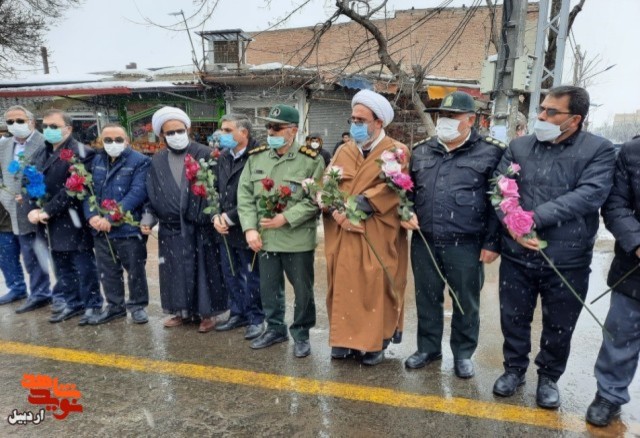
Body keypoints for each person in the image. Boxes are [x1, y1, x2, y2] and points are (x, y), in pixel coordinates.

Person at [492, 85, 616, 409]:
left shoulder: (599, 150)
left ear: (574, 119)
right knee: (513, 317)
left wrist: (532, 218)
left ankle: (548, 377)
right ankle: (514, 370)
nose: (541, 116)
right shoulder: (519, 147)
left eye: (550, 112)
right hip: (518, 254)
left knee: (560, 324)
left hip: (567, 258)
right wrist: (513, 224)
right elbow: (499, 188)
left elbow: (589, 194)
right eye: (541, 109)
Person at [401, 91, 504, 378]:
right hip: (425, 241)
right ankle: (428, 348)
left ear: (471, 120)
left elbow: (500, 201)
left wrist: (493, 242)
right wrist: (405, 211)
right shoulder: (422, 150)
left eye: (453, 116)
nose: (445, 121)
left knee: (465, 301)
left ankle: (462, 353)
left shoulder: (492, 151)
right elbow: (407, 191)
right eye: (442, 116)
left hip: (467, 243)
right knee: (427, 297)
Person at [324, 89, 410, 366]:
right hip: (342, 232)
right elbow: (328, 183)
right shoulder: (343, 150)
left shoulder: (396, 151)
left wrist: (360, 207)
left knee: (376, 284)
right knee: (342, 285)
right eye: (353, 119)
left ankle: (376, 341)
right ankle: (343, 340)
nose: (355, 125)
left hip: (375, 231)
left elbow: (393, 189)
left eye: (361, 120)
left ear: (378, 123)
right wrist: (335, 208)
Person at [237, 104, 324, 358]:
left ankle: (301, 333)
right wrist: (249, 229)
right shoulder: (257, 158)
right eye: (268, 127)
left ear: (293, 130)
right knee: (269, 288)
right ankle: (275, 328)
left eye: (277, 127)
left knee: (302, 290)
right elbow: (245, 196)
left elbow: (316, 199)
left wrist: (286, 217)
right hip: (264, 238)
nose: (270, 131)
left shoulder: (311, 160)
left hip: (296, 238)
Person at [141, 106, 227, 333]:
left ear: (188, 128)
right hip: (171, 230)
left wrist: (213, 214)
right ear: (162, 135)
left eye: (179, 130)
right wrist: (148, 219)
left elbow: (218, 190)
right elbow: (151, 194)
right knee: (174, 272)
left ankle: (207, 313)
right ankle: (180, 311)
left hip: (201, 227)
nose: (176, 136)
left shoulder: (205, 154)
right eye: (170, 133)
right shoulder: (157, 160)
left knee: (204, 271)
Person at [27, 109, 104, 324]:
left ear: (68, 129)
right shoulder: (41, 152)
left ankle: (93, 304)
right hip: (48, 223)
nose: (49, 130)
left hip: (73, 219)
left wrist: (47, 210)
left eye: (54, 126)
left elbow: (72, 189)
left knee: (84, 266)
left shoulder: (82, 152)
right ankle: (73, 302)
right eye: (46, 126)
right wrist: (33, 207)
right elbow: (31, 181)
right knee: (62, 267)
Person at [585, 135, 640, 426]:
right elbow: (615, 204)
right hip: (635, 268)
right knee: (620, 336)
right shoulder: (633, 151)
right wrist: (637, 241)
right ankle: (609, 394)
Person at [84, 124, 151, 325]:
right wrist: (93, 216)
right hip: (100, 230)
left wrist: (110, 218)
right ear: (100, 142)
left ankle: (138, 306)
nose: (113, 144)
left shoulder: (140, 161)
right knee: (108, 270)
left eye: (118, 139)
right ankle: (115, 306)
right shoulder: (95, 161)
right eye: (108, 140)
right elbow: (87, 191)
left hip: (128, 228)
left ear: (127, 141)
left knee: (135, 270)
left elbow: (136, 193)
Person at [213, 114, 265, 340]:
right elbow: (213, 189)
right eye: (222, 130)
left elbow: (257, 195)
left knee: (252, 276)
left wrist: (230, 217)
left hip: (247, 226)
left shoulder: (259, 156)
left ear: (243, 133)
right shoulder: (223, 157)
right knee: (231, 273)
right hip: (224, 228)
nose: (222, 135)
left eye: (227, 131)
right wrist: (215, 216)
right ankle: (237, 312)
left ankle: (256, 317)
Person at [0, 105, 56, 312]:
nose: (15, 125)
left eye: (20, 120)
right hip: (7, 205)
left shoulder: (45, 142)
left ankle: (41, 293)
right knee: (7, 250)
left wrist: (32, 196)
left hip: (33, 206)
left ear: (31, 122)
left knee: (33, 252)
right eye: (11, 121)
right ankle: (17, 288)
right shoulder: (4, 146)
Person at [0, 203, 27, 305]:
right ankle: (17, 288)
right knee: (6, 258)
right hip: (3, 226)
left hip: (21, 220)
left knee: (33, 259)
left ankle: (40, 291)